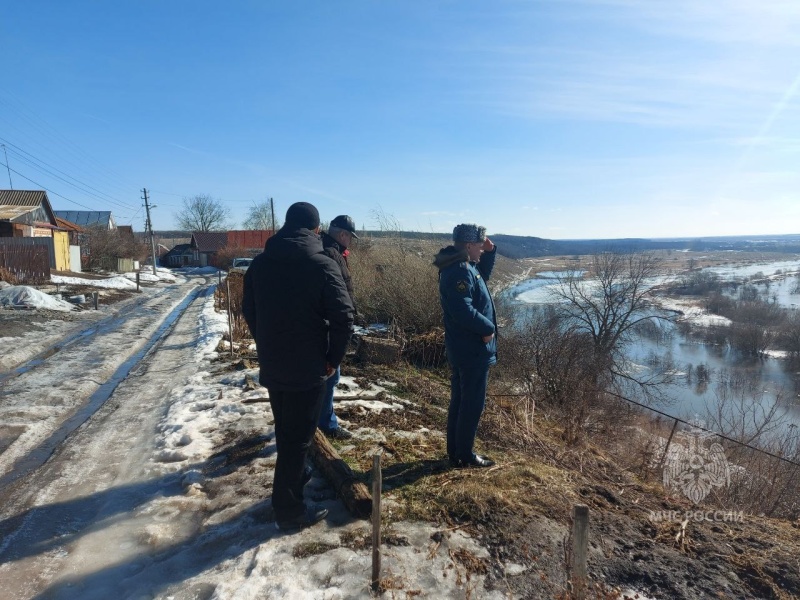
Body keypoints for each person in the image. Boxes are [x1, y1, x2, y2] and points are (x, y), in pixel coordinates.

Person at [242, 202, 354, 530]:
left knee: (286, 429)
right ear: (316, 230)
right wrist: (333, 359)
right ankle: (288, 511)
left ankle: (298, 476)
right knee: (298, 438)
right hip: (309, 366)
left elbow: (250, 308)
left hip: (274, 362)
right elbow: (344, 316)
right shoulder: (321, 264)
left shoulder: (260, 265)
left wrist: (266, 342)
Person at [433, 224, 498, 468]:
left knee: (462, 401)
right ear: (469, 246)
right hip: (470, 349)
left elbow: (483, 276)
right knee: (471, 404)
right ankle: (466, 455)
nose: (482, 250)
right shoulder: (460, 270)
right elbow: (462, 309)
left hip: (464, 347)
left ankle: (457, 452)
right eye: (480, 246)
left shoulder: (466, 265)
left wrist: (491, 251)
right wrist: (487, 328)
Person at [317, 214, 360, 439]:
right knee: (330, 374)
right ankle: (327, 425)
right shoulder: (331, 253)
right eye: (350, 236)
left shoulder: (326, 248)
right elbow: (338, 292)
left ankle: (322, 420)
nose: (351, 241)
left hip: (328, 322)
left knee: (327, 375)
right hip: (330, 324)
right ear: (342, 234)